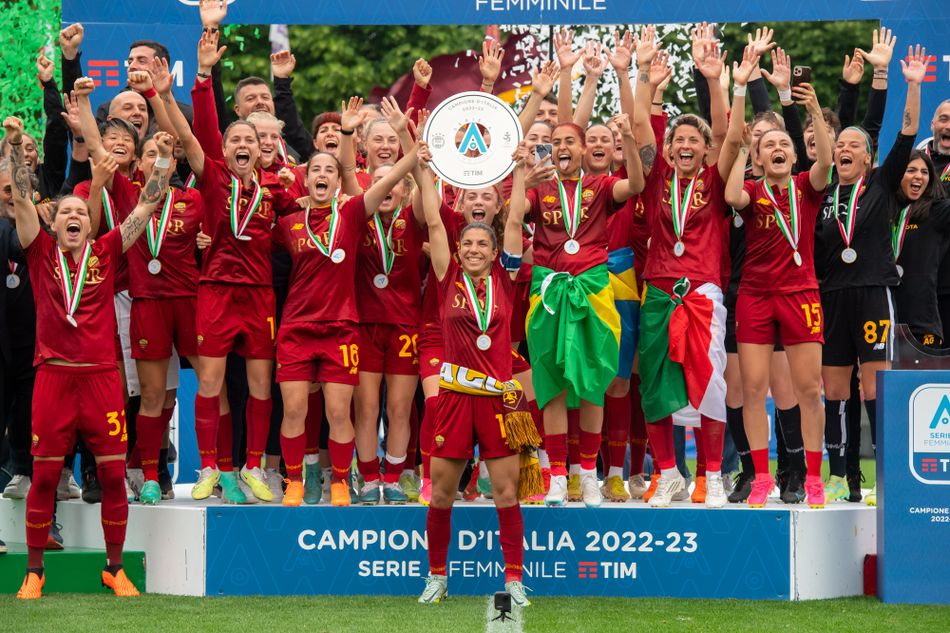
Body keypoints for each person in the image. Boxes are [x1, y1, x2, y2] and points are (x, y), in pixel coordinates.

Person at [6, 115, 173, 599]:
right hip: (54, 379)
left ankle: (114, 567)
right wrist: (15, 147)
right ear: (52, 223)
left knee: (114, 476)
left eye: (81, 210)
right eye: (65, 212)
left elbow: (149, 200)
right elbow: (20, 195)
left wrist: (161, 156)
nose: (74, 216)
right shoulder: (38, 253)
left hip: (101, 379)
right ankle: (35, 572)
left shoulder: (109, 249)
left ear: (90, 219)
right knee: (43, 478)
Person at [508, 29, 645, 508]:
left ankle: (589, 474)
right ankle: (556, 475)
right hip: (547, 291)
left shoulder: (603, 185)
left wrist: (627, 139)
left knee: (592, 380)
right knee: (550, 384)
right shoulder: (538, 189)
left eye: (572, 141)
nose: (563, 145)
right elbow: (512, 220)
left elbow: (638, 183)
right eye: (557, 141)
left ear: (586, 150)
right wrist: (523, 170)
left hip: (592, 289)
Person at [161, 28, 296, 503]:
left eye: (250, 140)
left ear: (261, 149)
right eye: (234, 137)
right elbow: (191, 130)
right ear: (225, 145)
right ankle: (210, 468)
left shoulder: (277, 187)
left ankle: (254, 466)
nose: (242, 143)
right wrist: (200, 75)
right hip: (216, 290)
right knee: (213, 384)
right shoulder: (213, 175)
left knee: (261, 385)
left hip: (259, 292)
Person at [635, 33, 752, 509]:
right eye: (678, 139)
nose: (685, 145)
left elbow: (732, 136)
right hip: (659, 291)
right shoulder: (657, 178)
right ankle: (667, 475)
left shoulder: (715, 179)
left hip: (702, 292)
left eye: (694, 140)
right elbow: (643, 126)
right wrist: (643, 72)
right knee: (655, 383)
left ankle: (710, 477)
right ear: (669, 151)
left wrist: (720, 82)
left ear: (705, 149)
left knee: (710, 383)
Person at [418, 140, 536, 607]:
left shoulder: (505, 280)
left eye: (479, 244)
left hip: (499, 402)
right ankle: (437, 577)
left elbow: (513, 221)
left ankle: (512, 580)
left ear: (492, 252)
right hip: (453, 398)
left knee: (506, 493)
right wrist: (424, 171)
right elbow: (432, 220)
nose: (471, 249)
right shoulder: (447, 277)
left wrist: (521, 169)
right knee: (442, 493)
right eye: (465, 243)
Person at [817, 45, 926, 504]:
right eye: (839, 145)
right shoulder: (818, 190)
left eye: (852, 146)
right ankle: (840, 476)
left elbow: (906, 131)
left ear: (868, 158)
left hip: (873, 292)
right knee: (835, 390)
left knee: (875, 387)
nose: (843, 150)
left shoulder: (881, 182)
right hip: (830, 295)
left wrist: (911, 82)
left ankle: (885, 478)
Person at [724, 80, 834, 508]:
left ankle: (813, 478)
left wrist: (816, 111)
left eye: (783, 143)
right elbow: (731, 195)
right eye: (767, 144)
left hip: (800, 295)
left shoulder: (807, 185)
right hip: (754, 296)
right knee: (753, 390)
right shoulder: (753, 190)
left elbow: (825, 158)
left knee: (808, 390)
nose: (777, 148)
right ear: (759, 156)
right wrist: (740, 150)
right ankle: (761, 478)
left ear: (792, 153)